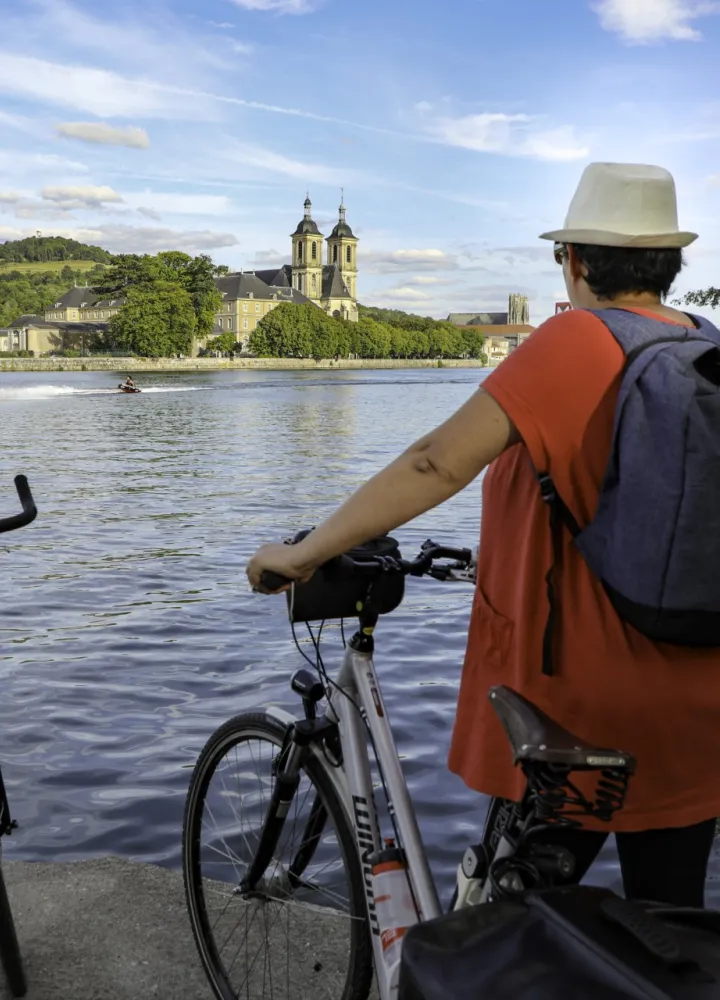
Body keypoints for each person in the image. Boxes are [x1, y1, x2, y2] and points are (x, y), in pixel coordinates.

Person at [246, 162, 719, 908]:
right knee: (673, 934)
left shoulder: (577, 342)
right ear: (669, 262)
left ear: (575, 259)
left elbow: (434, 462)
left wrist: (303, 552)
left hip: (583, 702)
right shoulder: (703, 343)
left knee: (512, 927)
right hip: (697, 690)